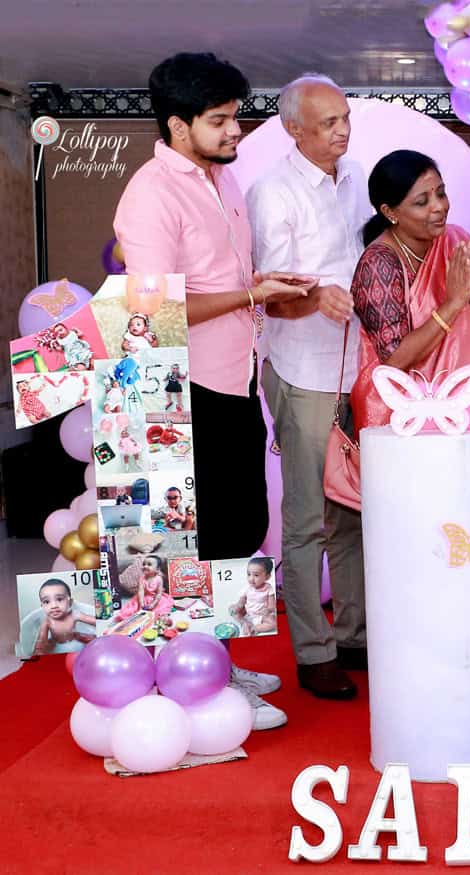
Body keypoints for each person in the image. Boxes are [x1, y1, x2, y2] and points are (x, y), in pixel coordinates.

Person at [114, 52, 309, 730]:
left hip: (235, 380)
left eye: (235, 117)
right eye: (220, 121)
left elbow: (225, 284)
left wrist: (267, 286)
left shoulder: (218, 182)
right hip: (184, 391)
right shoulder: (151, 194)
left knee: (240, 528)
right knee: (199, 540)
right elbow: (150, 314)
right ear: (177, 124)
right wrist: (251, 293)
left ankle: (215, 665)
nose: (236, 132)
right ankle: (192, 677)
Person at [248, 74, 372, 700]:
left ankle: (353, 635)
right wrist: (313, 293)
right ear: (293, 129)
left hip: (360, 371)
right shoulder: (271, 191)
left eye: (344, 118)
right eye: (327, 123)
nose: (342, 131)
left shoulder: (357, 179)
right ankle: (313, 650)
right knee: (305, 520)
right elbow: (267, 292)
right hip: (301, 367)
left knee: (353, 510)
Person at [351, 150, 470, 432]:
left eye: (441, 194)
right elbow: (394, 361)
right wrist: (453, 304)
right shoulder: (378, 264)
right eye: (422, 202)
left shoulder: (455, 241)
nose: (439, 206)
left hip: (463, 409)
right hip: (401, 419)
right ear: (389, 212)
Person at [32, 579, 95, 655]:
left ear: (70, 602)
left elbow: (94, 620)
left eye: (59, 599)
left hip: (75, 638)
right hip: (55, 644)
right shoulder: (47, 621)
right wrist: (38, 650)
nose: (54, 606)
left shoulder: (74, 615)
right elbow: (41, 639)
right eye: (47, 602)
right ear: (42, 606)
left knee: (92, 639)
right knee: (42, 649)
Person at [113, 556, 174, 623]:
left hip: (155, 597)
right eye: (144, 564)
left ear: (157, 569)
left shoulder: (159, 579)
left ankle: (162, 617)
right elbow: (141, 591)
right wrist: (141, 602)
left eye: (149, 564)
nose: (145, 566)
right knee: (134, 608)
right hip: (144, 597)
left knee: (162, 605)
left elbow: (159, 593)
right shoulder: (142, 578)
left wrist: (154, 603)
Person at [232, 557, 277, 637]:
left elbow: (272, 606)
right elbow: (242, 601)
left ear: (267, 577)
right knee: (232, 609)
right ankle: (244, 623)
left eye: (256, 575)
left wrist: (268, 610)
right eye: (249, 574)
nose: (251, 579)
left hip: (261, 615)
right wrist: (238, 606)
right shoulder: (247, 588)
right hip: (248, 612)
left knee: (273, 623)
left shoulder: (269, 589)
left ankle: (255, 628)